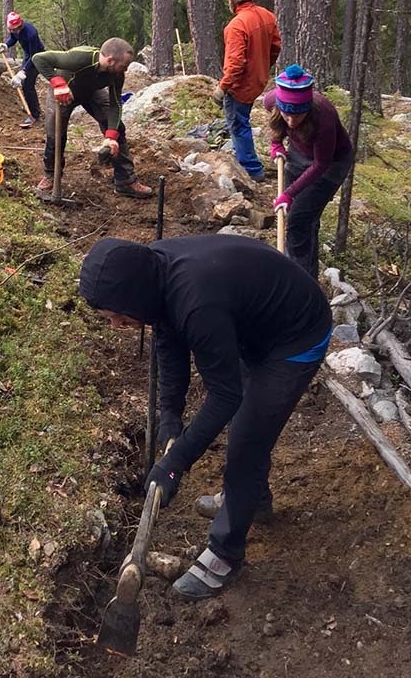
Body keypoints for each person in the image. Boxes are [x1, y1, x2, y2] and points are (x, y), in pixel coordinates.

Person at [79, 233, 332, 600]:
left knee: (247, 441)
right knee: (249, 427)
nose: (116, 326)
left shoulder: (196, 303)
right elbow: (169, 344)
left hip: (297, 336)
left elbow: (226, 396)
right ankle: (249, 501)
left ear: (132, 297)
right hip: (257, 325)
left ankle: (225, 555)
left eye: (116, 317)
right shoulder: (156, 273)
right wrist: (170, 417)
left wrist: (174, 462)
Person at [264, 64, 354, 278]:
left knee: (298, 221)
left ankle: (302, 282)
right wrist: (276, 143)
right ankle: (296, 264)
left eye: (299, 115)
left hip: (331, 164)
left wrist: (289, 192)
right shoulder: (271, 100)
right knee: (301, 218)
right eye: (287, 115)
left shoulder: (324, 117)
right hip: (299, 152)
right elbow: (277, 123)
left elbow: (321, 164)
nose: (292, 121)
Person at [32, 38, 152, 198]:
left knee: (117, 128)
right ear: (110, 60)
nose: (125, 71)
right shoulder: (80, 58)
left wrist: (111, 136)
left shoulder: (116, 74)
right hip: (64, 92)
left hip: (91, 93)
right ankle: (50, 176)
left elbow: (115, 105)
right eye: (123, 66)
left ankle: (125, 181)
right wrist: (58, 83)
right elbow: (39, 58)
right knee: (55, 134)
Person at [211, 0, 281, 181]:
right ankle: (249, 163)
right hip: (257, 80)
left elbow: (235, 63)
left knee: (239, 125)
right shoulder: (267, 16)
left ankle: (251, 170)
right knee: (243, 122)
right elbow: (276, 47)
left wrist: (222, 88)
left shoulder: (236, 26)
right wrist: (262, 67)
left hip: (240, 86)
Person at [0, 11, 45, 128]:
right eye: (11, 30)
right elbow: (13, 38)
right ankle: (32, 107)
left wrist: (23, 71)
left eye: (16, 29)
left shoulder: (31, 33)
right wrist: (6, 45)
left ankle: (35, 114)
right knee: (25, 84)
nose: (14, 31)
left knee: (27, 84)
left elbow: (34, 55)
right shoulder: (14, 30)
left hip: (38, 57)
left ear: (20, 25)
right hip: (28, 56)